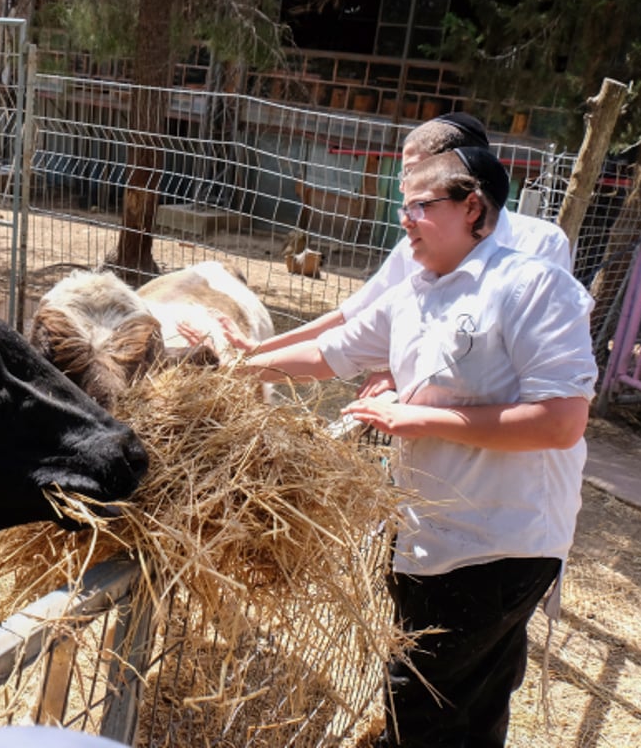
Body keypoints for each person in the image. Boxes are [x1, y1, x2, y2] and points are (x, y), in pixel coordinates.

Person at [223, 147, 598, 747]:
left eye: (420, 205)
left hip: (499, 542)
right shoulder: (415, 292)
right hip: (431, 536)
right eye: (403, 205)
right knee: (468, 706)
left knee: (419, 709)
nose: (404, 218)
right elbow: (329, 353)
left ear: (472, 207)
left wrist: (417, 418)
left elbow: (559, 422)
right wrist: (239, 366)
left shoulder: (532, 286)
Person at [247, 113, 572, 398]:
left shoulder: (538, 256)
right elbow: (347, 331)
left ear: (459, 178)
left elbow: (548, 401)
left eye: (415, 174)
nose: (404, 189)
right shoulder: (418, 265)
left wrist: (406, 385)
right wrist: (249, 357)